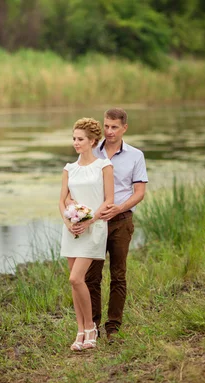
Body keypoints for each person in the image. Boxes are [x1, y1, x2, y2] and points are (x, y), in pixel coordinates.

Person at [70, 108, 148, 343]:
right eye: (106, 126)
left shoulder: (135, 156)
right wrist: (78, 213)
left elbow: (140, 192)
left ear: (124, 128)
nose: (109, 131)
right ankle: (91, 325)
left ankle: (113, 327)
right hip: (94, 223)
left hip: (120, 221)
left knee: (118, 275)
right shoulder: (92, 151)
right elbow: (77, 181)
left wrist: (119, 208)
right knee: (91, 276)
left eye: (115, 127)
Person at [60, 118, 114, 351]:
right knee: (74, 283)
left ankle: (91, 327)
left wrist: (89, 220)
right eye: (74, 138)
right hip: (72, 230)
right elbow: (61, 200)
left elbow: (109, 201)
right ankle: (80, 330)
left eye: (80, 139)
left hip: (94, 229)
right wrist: (69, 221)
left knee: (76, 278)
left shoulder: (104, 166)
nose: (76, 143)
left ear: (92, 141)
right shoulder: (69, 169)